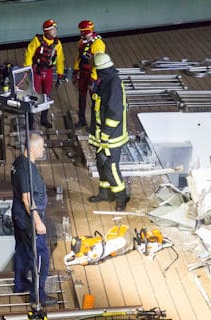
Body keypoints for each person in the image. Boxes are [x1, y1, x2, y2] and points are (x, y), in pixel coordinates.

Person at [11, 133, 57, 306]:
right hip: (28, 219)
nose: (43, 149)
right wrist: (37, 222)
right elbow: (27, 199)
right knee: (40, 257)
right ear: (32, 148)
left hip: (19, 216)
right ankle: (37, 296)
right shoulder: (25, 169)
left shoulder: (19, 163)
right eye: (41, 147)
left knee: (22, 251)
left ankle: (20, 284)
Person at [87, 53, 130, 211]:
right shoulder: (107, 80)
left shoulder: (113, 85)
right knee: (101, 164)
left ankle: (121, 197)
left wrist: (105, 134)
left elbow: (115, 114)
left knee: (111, 167)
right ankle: (104, 193)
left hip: (112, 137)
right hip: (102, 135)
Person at [23, 19, 65, 129]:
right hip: (36, 70)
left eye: (55, 29)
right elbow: (29, 54)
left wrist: (60, 73)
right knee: (33, 94)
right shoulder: (37, 41)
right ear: (46, 31)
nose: (55, 31)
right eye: (52, 29)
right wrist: (27, 68)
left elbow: (60, 59)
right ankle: (30, 119)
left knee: (47, 94)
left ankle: (44, 118)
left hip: (49, 71)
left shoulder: (57, 44)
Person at [73, 20, 106, 129]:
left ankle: (96, 124)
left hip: (93, 76)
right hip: (83, 74)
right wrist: (76, 70)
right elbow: (80, 57)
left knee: (95, 100)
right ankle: (82, 120)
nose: (82, 34)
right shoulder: (82, 42)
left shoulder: (98, 44)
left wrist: (94, 78)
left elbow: (98, 63)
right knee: (81, 97)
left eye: (83, 32)